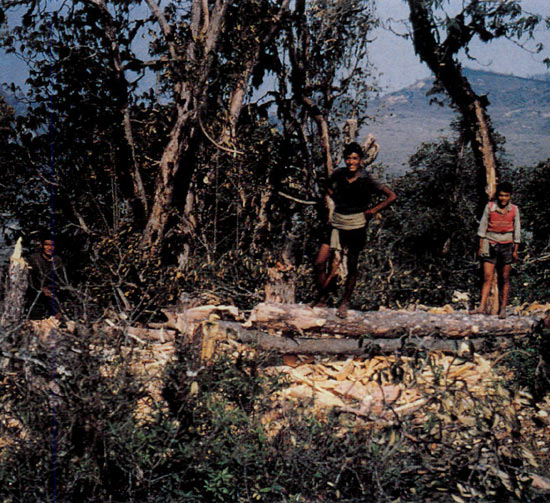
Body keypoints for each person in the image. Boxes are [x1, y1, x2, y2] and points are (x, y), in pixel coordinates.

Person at [312, 142, 396, 318]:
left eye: (355, 158)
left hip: (356, 225)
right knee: (320, 262)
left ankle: (344, 301)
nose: (351, 162)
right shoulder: (339, 174)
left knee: (351, 265)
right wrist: (335, 199)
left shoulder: (367, 179)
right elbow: (326, 185)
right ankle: (324, 297)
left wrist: (372, 211)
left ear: (361, 160)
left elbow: (391, 196)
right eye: (348, 158)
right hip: (337, 223)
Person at [471, 181, 520, 318]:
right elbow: (482, 227)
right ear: (497, 195)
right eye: (501, 195)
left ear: (510, 196)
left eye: (506, 196)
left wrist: (515, 250)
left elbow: (517, 231)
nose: (503, 198)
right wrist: (480, 247)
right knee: (487, 276)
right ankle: (481, 306)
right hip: (490, 243)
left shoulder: (514, 210)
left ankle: (503, 308)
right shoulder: (490, 207)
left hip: (507, 245)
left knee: (505, 278)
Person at [26, 234, 69, 320]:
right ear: (41, 246)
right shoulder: (34, 259)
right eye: (47, 245)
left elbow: (62, 279)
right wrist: (41, 289)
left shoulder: (57, 260)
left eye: (52, 245)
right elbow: (29, 279)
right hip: (36, 294)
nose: (49, 248)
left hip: (53, 293)